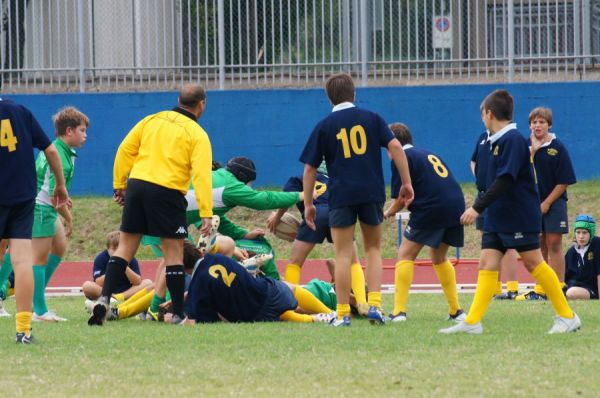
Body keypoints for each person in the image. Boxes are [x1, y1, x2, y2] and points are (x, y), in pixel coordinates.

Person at [440, 89, 580, 335]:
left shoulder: (513, 140)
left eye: (482, 114)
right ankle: (472, 322)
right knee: (487, 262)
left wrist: (476, 207)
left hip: (518, 214)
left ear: (489, 113)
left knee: (533, 261)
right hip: (497, 214)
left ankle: (567, 316)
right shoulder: (491, 140)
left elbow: (504, 180)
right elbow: (487, 178)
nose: (482, 118)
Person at [88, 84, 214, 326]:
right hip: (167, 191)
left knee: (125, 248)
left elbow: (125, 150)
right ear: (202, 104)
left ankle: (103, 299)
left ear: (178, 100)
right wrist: (206, 211)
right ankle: (178, 314)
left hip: (137, 185)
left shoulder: (151, 120)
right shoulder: (197, 134)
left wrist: (119, 184)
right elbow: (201, 175)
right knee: (174, 253)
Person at [299, 72, 414, 326]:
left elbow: (309, 169)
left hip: (341, 195)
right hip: (371, 192)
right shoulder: (372, 118)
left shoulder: (324, 126)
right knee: (373, 249)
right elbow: (395, 147)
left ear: (329, 98)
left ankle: (342, 313)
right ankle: (374, 306)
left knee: (342, 254)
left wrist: (308, 204)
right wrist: (406, 182)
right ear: (354, 94)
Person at [141, 157, 302, 319]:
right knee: (176, 260)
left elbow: (215, 218)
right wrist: (300, 196)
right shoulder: (231, 185)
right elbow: (262, 199)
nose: (248, 187)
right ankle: (164, 310)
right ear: (242, 176)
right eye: (249, 183)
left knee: (171, 261)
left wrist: (243, 234)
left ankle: (154, 309)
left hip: (155, 208)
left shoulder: (217, 178)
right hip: (162, 215)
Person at [0, 107, 88, 322]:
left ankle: (29, 293)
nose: (86, 136)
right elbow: (52, 195)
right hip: (40, 207)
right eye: (83, 130)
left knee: (58, 245)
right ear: (69, 131)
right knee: (33, 258)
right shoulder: (55, 152)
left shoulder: (65, 152)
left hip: (45, 205)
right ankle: (37, 309)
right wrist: (68, 217)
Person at [384, 123, 466, 323]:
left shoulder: (400, 157)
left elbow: (402, 198)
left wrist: (387, 213)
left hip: (432, 207)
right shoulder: (427, 153)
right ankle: (456, 311)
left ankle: (399, 312)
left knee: (405, 253)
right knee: (438, 256)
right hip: (456, 205)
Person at [269, 161, 370, 316]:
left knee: (295, 263)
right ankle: (362, 302)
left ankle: (290, 304)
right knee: (353, 262)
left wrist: (277, 217)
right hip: (340, 215)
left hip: (316, 215)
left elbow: (287, 199)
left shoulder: (299, 178)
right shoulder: (340, 179)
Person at [180, 241, 335, 324]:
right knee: (290, 288)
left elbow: (205, 319)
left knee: (280, 315)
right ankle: (331, 313)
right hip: (266, 290)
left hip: (254, 313)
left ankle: (317, 319)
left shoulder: (197, 287)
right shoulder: (218, 257)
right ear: (198, 252)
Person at [516, 107, 577, 301]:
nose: (537, 125)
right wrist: (532, 152)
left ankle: (559, 286)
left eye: (541, 122)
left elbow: (565, 179)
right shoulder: (525, 147)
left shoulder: (557, 147)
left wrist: (547, 202)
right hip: (531, 204)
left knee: (554, 243)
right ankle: (541, 288)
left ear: (549, 124)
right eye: (534, 122)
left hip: (554, 202)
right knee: (539, 244)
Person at [470, 129, 520, 300]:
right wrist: (480, 180)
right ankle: (494, 288)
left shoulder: (509, 138)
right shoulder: (483, 137)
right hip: (484, 196)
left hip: (502, 197)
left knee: (508, 243)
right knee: (489, 243)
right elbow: (474, 161)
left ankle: (513, 287)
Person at [82, 231, 153, 301]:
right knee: (87, 285)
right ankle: (111, 297)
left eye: (120, 249)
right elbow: (98, 282)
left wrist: (123, 265)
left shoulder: (130, 258)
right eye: (114, 249)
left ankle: (118, 298)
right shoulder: (101, 258)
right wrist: (113, 267)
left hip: (127, 292)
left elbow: (137, 282)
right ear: (108, 248)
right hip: (105, 291)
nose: (117, 252)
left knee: (148, 283)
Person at [563, 215, 600, 300]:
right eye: (578, 232)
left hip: (590, 288)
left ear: (591, 232)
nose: (581, 236)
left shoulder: (597, 244)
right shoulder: (571, 252)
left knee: (572, 293)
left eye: (584, 232)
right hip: (571, 286)